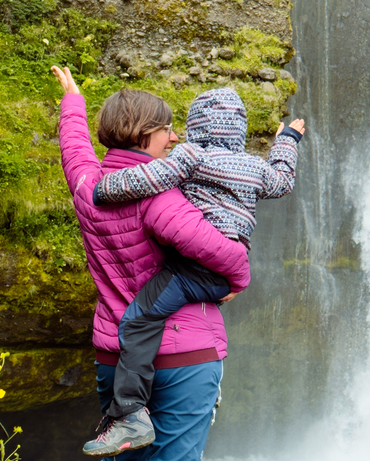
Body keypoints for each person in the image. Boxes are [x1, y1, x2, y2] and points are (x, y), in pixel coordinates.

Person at [90, 86, 305, 456]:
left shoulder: (191, 156)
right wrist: (287, 141)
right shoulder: (254, 167)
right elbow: (283, 180)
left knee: (138, 319)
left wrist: (105, 188)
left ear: (195, 128)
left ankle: (129, 413)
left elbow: (150, 179)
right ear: (238, 130)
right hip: (221, 271)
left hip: (197, 264)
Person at [52, 67, 250, 461]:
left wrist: (73, 100)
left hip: (115, 357)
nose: (174, 138)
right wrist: (239, 280)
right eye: (167, 130)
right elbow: (224, 252)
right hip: (183, 360)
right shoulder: (160, 198)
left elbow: (74, 148)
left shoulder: (88, 186)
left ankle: (129, 419)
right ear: (144, 133)